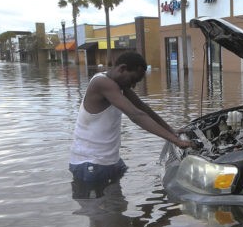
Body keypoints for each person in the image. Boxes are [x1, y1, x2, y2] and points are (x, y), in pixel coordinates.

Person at [69, 51, 192, 186]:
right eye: (133, 80)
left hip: (109, 161)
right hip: (89, 164)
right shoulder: (102, 83)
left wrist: (171, 130)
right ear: (122, 69)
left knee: (117, 199)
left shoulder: (119, 85)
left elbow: (143, 109)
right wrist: (175, 141)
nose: (133, 86)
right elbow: (136, 115)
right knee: (96, 200)